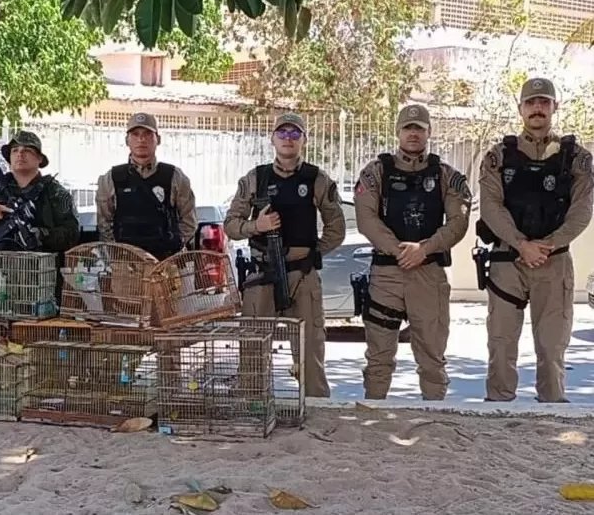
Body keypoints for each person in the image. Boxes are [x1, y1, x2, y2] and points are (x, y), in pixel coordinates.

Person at [478, 78, 593, 403]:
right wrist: (521, 244)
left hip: (553, 262)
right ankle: (498, 410)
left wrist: (549, 245)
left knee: (552, 345)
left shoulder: (577, 158)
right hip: (507, 261)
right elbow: (491, 207)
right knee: (500, 344)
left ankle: (553, 413)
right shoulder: (498, 156)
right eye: (531, 103)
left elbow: (582, 211)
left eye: (544, 102)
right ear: (521, 109)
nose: (537, 108)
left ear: (555, 107)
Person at [223, 112, 346, 398]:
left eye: (294, 134)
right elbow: (231, 225)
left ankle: (315, 409)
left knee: (310, 351)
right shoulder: (255, 178)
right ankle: (253, 407)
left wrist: (312, 255)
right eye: (282, 133)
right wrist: (257, 226)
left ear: (304, 139)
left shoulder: (317, 179)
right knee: (253, 352)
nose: (288, 139)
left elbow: (336, 228)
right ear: (272, 139)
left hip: (301, 277)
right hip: (263, 275)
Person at [355, 104, 471, 401]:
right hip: (387, 275)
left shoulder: (446, 175)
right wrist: (399, 250)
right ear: (398, 132)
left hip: (428, 274)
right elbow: (367, 219)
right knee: (379, 357)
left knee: (432, 357)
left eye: (419, 128)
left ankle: (435, 420)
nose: (414, 133)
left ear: (429, 132)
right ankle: (373, 420)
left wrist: (425, 249)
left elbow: (458, 222)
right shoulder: (376, 173)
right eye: (408, 128)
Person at [95, 112, 197, 260]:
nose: (141, 139)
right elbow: (104, 224)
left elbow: (189, 222)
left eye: (148, 134)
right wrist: (119, 255)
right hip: (125, 267)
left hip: (166, 265)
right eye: (135, 134)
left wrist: (172, 248)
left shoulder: (175, 177)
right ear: (127, 140)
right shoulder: (111, 178)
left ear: (158, 139)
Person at [0, 130, 80, 253]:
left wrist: (42, 234)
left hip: (42, 268)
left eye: (27, 150)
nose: (20, 154)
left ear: (39, 158)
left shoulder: (55, 192)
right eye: (15, 150)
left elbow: (72, 236)